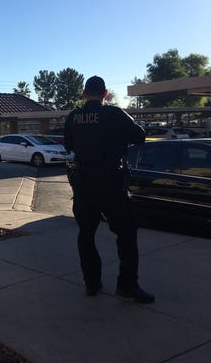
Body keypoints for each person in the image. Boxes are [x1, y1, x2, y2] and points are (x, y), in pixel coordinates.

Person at [64, 75, 154, 303]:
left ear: (84, 94)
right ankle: (127, 285)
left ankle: (91, 284)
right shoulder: (113, 114)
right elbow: (140, 137)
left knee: (86, 235)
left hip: (83, 184)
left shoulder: (73, 117)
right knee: (126, 235)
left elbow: (68, 145)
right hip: (111, 184)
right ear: (105, 93)